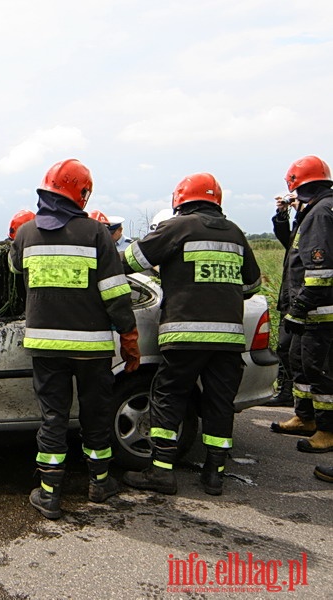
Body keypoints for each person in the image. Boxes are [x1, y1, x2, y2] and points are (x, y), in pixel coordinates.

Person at [10, 158, 140, 520]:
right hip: (91, 349)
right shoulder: (96, 234)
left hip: (46, 346)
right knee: (95, 415)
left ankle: (49, 494)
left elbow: (14, 268)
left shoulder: (26, 234)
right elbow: (116, 293)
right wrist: (129, 339)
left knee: (53, 416)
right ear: (80, 194)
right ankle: (100, 483)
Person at [122, 173, 262, 496]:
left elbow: (130, 260)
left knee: (169, 397)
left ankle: (161, 472)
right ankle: (214, 474)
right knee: (219, 403)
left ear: (180, 200)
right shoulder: (236, 234)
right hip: (227, 340)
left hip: (183, 335)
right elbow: (252, 285)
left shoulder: (176, 227)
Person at [279, 155, 333, 454]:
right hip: (313, 309)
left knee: (320, 370)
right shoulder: (318, 209)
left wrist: (299, 309)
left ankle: (327, 430)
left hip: (319, 312)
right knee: (301, 362)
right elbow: (293, 249)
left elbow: (320, 271)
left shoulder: (320, 213)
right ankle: (306, 417)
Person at [266, 192, 307, 412]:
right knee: (284, 347)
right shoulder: (303, 222)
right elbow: (288, 241)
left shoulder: (318, 219)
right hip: (290, 296)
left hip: (303, 298)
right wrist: (282, 215)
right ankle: (286, 391)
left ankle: (295, 396)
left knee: (293, 349)